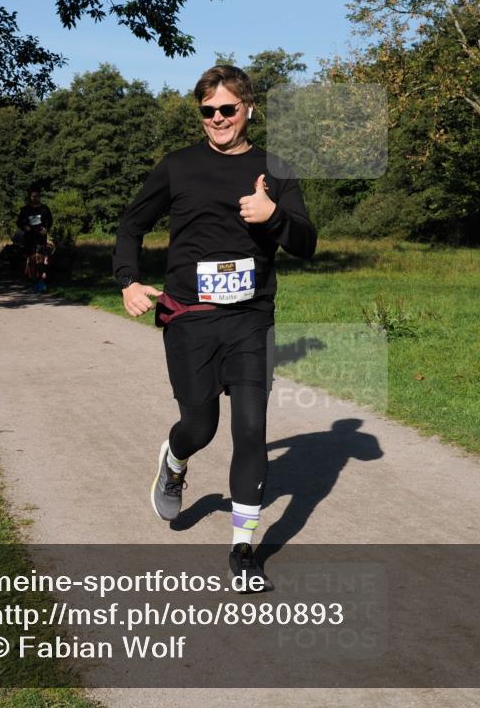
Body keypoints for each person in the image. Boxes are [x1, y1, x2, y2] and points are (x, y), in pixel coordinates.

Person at [113, 64, 317, 592]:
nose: (219, 119)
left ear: (249, 109)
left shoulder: (275, 168)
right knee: (200, 426)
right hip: (190, 318)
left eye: (228, 108)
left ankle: (244, 550)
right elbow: (132, 224)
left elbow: (306, 242)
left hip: (251, 317)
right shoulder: (178, 166)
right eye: (208, 111)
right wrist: (129, 282)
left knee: (250, 429)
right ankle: (176, 458)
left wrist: (272, 214)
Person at [16, 185, 53, 293]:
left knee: (40, 261)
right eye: (33, 196)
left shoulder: (45, 209)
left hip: (41, 237)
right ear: (30, 197)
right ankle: (34, 283)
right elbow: (19, 222)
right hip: (30, 238)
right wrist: (24, 227)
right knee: (32, 260)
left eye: (37, 196)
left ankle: (40, 280)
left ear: (40, 197)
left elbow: (50, 221)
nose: (35, 198)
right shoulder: (25, 209)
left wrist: (47, 229)